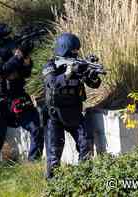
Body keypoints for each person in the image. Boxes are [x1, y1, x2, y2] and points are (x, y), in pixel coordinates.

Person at [0, 22, 44, 173]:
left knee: (36, 128)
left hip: (18, 97)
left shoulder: (11, 51)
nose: (9, 40)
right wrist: (18, 55)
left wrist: (26, 57)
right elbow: (2, 71)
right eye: (5, 38)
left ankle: (33, 165)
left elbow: (26, 72)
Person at [42, 33, 102, 179]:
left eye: (77, 51)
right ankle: (52, 187)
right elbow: (52, 83)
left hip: (74, 114)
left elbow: (95, 84)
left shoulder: (77, 64)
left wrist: (91, 74)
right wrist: (68, 73)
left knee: (86, 144)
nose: (76, 53)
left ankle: (82, 179)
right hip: (55, 115)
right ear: (64, 50)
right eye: (73, 51)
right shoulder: (50, 65)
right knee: (54, 155)